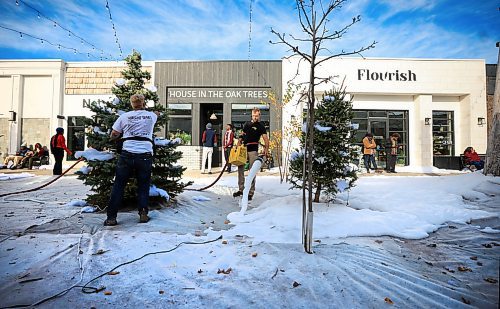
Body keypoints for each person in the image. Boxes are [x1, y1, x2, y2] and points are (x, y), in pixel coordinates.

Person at [105, 94, 157, 226]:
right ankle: (143, 213)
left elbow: (114, 134)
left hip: (127, 154)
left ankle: (111, 217)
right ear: (143, 103)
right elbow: (157, 114)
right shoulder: (151, 116)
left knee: (119, 185)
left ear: (132, 104)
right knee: (143, 185)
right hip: (145, 154)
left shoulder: (124, 117)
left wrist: (117, 136)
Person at [233, 108, 269, 200]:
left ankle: (250, 192)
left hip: (253, 150)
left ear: (259, 116)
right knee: (240, 168)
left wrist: (266, 149)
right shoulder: (246, 124)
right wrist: (238, 144)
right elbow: (241, 135)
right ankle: (241, 189)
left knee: (252, 171)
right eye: (254, 116)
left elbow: (265, 139)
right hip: (243, 149)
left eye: (257, 116)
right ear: (251, 115)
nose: (255, 117)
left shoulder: (261, 126)